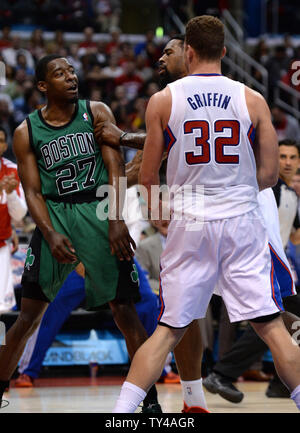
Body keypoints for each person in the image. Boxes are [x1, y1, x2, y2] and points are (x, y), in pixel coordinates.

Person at [112, 15, 300, 413]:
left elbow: (147, 177)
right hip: (242, 222)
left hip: (190, 221)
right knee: (271, 327)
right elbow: (268, 175)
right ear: (226, 52)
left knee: (166, 331)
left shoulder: (163, 100)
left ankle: (121, 417)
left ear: (190, 51)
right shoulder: (253, 99)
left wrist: (163, 211)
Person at [0, 54, 162, 413]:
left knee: (125, 310)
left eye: (72, 71)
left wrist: (116, 219)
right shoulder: (27, 130)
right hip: (55, 212)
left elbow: (115, 166)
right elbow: (34, 192)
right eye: (60, 73)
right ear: (43, 85)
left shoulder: (97, 111)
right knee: (28, 316)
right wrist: (49, 232)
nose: (71, 77)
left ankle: (148, 401)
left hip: (98, 208)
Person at [97, 35, 208, 413]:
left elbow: (172, 142)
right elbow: (139, 165)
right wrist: (100, 200)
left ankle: (128, 407)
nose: (159, 57)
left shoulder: (202, 94)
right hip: (198, 215)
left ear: (191, 53)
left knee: (270, 314)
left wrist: (122, 136)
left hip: (227, 209)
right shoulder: (168, 98)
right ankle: (191, 401)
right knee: (184, 309)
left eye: (168, 51)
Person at [204, 139, 300, 402]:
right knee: (269, 323)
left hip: (274, 267)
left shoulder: (289, 192)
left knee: (273, 323)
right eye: (282, 156)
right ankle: (222, 372)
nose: (288, 162)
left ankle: (279, 383)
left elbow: (292, 236)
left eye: (293, 157)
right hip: (252, 263)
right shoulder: (267, 185)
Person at [15, 260, 159, 387]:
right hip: (77, 257)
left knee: (148, 300)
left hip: (114, 254)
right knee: (49, 304)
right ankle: (28, 371)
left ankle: (159, 369)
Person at [0, 126, 27, 313]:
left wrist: (10, 194)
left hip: (1, 247)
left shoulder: (12, 171)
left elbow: (19, 214)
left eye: (1, 140)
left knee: (3, 310)